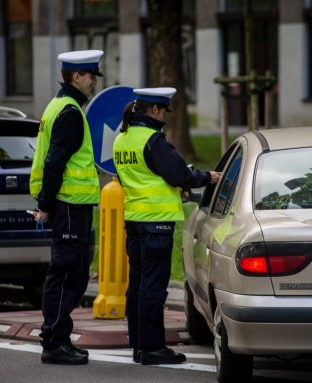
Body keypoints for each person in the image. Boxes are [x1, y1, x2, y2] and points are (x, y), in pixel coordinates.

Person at [113, 87, 221, 365]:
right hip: (155, 224)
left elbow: (141, 178)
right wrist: (208, 176)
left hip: (135, 221)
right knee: (153, 287)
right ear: (154, 110)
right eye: (164, 111)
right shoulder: (153, 141)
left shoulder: (121, 140)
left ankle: (139, 345)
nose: (165, 117)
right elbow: (179, 174)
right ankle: (152, 349)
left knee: (137, 285)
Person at [29, 50, 104, 365]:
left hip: (73, 205)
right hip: (69, 205)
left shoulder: (57, 105)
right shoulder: (70, 112)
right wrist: (46, 204)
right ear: (77, 77)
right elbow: (54, 162)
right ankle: (54, 342)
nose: (92, 83)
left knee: (72, 274)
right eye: (90, 77)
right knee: (66, 274)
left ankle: (60, 337)